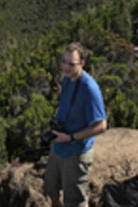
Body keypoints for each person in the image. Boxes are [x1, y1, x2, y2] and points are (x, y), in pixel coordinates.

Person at [46, 42, 108, 207]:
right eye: (64, 62)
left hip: (76, 151)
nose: (66, 67)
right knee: (51, 189)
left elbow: (101, 125)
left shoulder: (90, 88)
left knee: (74, 201)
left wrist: (71, 137)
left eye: (71, 64)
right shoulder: (67, 79)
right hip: (59, 146)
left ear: (82, 63)